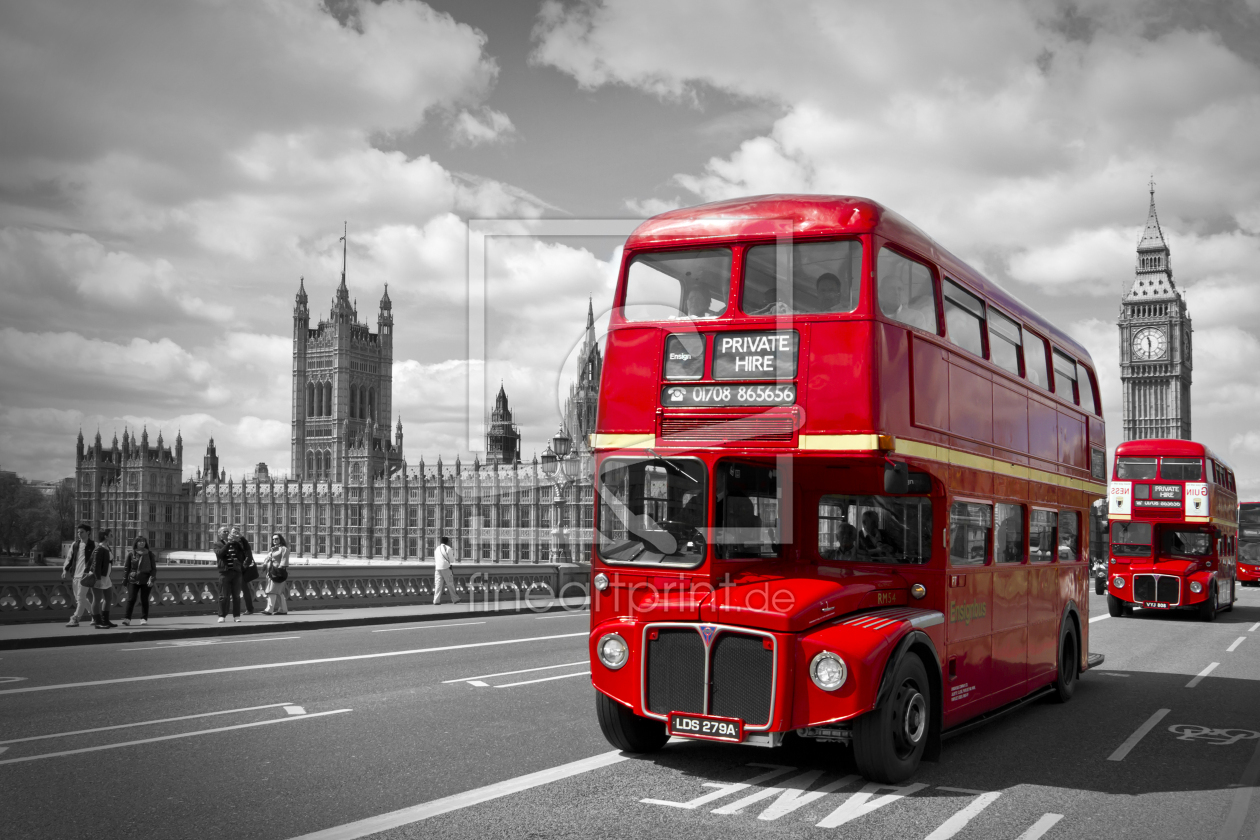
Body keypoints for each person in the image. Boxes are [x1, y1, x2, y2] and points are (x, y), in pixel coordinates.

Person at [61, 523, 95, 627]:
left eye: (82, 532)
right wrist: (65, 570)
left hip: (85, 575)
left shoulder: (94, 545)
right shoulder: (75, 544)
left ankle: (75, 618)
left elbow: (97, 561)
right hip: (75, 575)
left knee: (80, 597)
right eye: (78, 532)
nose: (79, 534)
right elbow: (69, 559)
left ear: (88, 532)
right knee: (80, 599)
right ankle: (95, 616)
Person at [121, 535, 157, 626]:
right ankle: (127, 618)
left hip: (146, 579)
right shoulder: (131, 554)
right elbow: (126, 568)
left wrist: (151, 579)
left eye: (143, 541)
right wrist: (124, 582)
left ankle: (144, 618)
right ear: (136, 543)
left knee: (144, 599)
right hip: (133, 579)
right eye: (140, 541)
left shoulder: (150, 554)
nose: (142, 543)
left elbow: (153, 569)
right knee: (131, 599)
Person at [213, 526, 243, 623]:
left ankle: (237, 616)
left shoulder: (235, 544)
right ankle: (222, 616)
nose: (226, 533)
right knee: (223, 596)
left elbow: (242, 555)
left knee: (236, 596)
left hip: (236, 573)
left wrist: (238, 542)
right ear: (219, 534)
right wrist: (229, 543)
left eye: (227, 531)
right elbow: (220, 554)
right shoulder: (217, 544)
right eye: (224, 532)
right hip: (225, 573)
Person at [89, 528, 115, 629]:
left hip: (106, 577)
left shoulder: (107, 547)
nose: (112, 537)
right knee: (97, 599)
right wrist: (98, 579)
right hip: (98, 577)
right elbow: (96, 565)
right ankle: (98, 622)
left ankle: (106, 620)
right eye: (111, 535)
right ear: (106, 536)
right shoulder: (99, 548)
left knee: (108, 598)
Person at [229, 526, 257, 615]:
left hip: (241, 570)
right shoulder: (228, 542)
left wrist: (243, 567)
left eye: (237, 532)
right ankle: (227, 609)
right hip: (231, 569)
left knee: (245, 590)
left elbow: (249, 555)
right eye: (233, 532)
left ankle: (249, 609)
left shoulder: (243, 542)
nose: (235, 534)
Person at [261, 533, 290, 615]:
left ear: (280, 539)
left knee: (271, 591)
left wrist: (279, 570)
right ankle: (283, 610)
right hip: (270, 572)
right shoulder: (272, 549)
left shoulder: (283, 549)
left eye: (276, 539)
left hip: (277, 573)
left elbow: (284, 561)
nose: (274, 540)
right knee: (278, 592)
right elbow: (267, 559)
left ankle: (269, 609)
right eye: (273, 539)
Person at [432, 536, 459, 605]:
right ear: (447, 542)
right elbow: (452, 560)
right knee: (450, 584)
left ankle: (436, 600)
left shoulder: (437, 549)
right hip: (446, 568)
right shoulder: (448, 548)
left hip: (437, 568)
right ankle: (455, 599)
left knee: (438, 585)